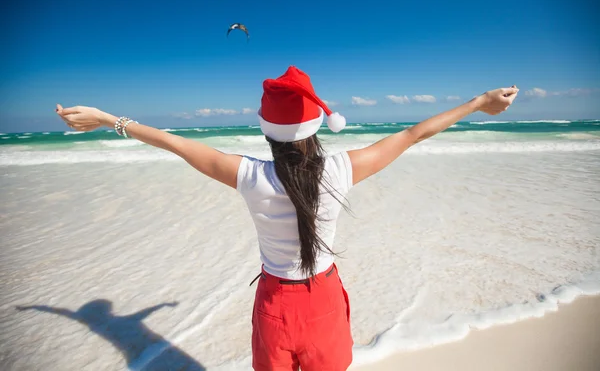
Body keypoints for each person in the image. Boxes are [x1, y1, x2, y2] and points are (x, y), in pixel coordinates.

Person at [55, 66, 518, 370]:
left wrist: (105, 117)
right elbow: (416, 133)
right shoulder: (342, 168)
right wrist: (479, 102)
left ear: (266, 129)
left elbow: (173, 142)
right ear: (315, 127)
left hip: (275, 304)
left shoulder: (248, 175)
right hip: (324, 302)